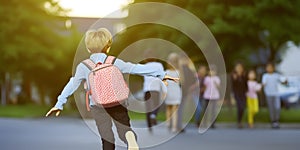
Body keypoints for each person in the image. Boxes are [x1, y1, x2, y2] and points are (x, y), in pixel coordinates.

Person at [45, 28, 176, 150]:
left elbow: (72, 84)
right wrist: (161, 75)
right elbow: (136, 68)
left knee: (107, 137)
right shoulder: (114, 61)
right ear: (108, 46)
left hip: (98, 105)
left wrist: (59, 104)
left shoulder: (84, 66)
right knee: (124, 129)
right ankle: (130, 137)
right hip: (118, 102)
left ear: (88, 48)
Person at [143, 59, 167, 132]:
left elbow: (145, 78)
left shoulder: (145, 66)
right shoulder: (159, 65)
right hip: (155, 88)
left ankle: (149, 126)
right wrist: (164, 90)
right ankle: (153, 115)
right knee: (156, 104)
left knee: (148, 107)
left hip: (147, 89)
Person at [262, 62, 287, 129]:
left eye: (271, 67)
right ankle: (273, 121)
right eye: (268, 67)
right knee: (271, 108)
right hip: (269, 94)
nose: (269, 69)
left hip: (276, 94)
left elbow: (282, 82)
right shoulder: (265, 76)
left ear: (273, 68)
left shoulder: (276, 75)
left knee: (277, 107)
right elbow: (263, 84)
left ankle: (277, 120)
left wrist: (285, 82)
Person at [177, 55, 197, 132]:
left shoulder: (181, 69)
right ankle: (178, 125)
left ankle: (177, 125)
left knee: (179, 109)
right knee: (180, 109)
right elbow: (194, 81)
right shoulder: (186, 69)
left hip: (180, 91)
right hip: (183, 92)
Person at [164, 53, 182, 132]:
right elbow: (181, 82)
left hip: (169, 91)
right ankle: (174, 127)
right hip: (176, 91)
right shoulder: (179, 72)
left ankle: (168, 122)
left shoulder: (166, 72)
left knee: (168, 108)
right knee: (175, 110)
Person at [231, 62, 248, 128]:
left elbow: (246, 84)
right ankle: (239, 121)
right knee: (239, 106)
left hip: (243, 93)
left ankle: (240, 120)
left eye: (240, 67)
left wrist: (247, 91)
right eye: (238, 68)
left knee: (243, 107)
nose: (239, 69)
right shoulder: (234, 75)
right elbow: (233, 85)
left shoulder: (244, 75)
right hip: (237, 93)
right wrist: (235, 78)